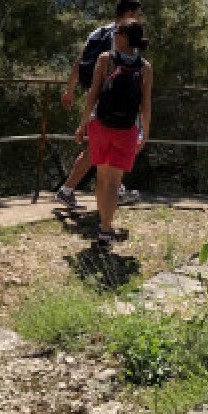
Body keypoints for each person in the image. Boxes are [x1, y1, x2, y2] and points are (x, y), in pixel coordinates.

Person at [57, 0, 144, 209]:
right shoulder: (124, 36)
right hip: (112, 98)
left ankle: (107, 188)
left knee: (100, 144)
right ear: (130, 14)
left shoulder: (98, 32)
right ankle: (75, 189)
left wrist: (70, 88)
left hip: (97, 95)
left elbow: (81, 60)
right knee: (108, 144)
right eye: (137, 14)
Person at [75, 19, 152, 249]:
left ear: (125, 37)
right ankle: (105, 229)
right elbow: (146, 104)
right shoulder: (145, 67)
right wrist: (145, 132)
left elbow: (93, 94)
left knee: (102, 177)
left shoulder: (106, 59)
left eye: (117, 32)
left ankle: (103, 226)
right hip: (127, 130)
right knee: (113, 181)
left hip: (101, 125)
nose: (114, 35)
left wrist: (82, 123)